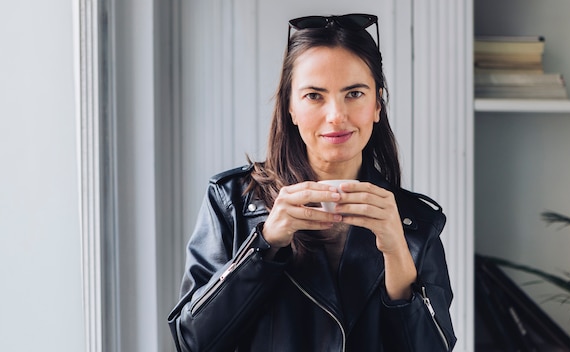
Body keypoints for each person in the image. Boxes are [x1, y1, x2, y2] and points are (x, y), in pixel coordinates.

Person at [168, 13, 456, 351]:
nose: (336, 115)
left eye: (354, 93)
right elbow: (192, 342)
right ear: (290, 106)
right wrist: (265, 243)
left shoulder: (415, 221)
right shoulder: (232, 200)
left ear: (377, 103)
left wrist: (396, 250)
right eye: (314, 96)